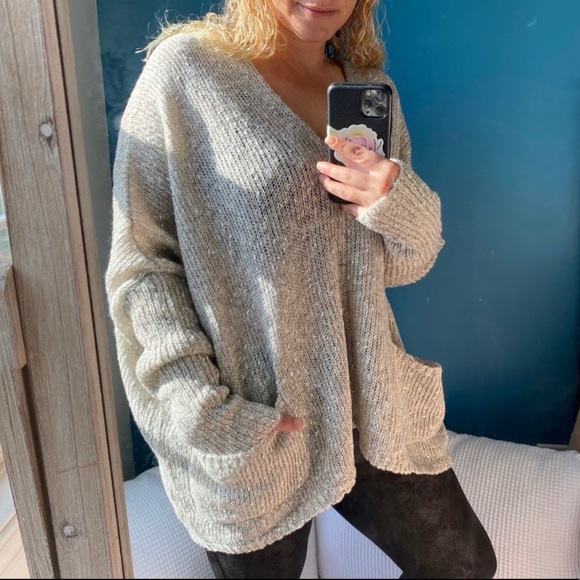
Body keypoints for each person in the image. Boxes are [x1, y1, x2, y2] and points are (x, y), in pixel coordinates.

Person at [105, 1, 497, 578]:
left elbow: (400, 267)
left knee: (464, 565)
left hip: (368, 403)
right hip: (257, 415)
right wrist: (198, 402)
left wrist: (392, 200)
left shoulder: (370, 91)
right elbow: (142, 262)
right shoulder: (187, 72)